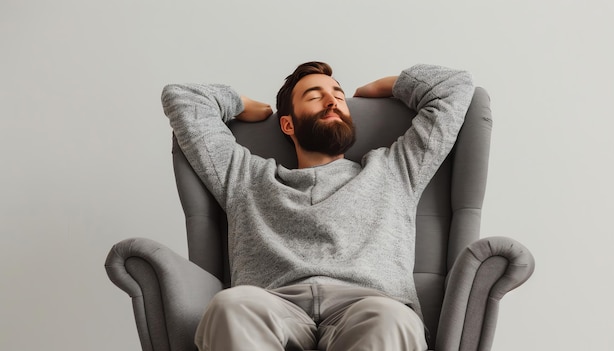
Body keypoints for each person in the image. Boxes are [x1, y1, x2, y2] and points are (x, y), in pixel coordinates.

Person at [161, 62, 474, 351]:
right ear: (287, 124)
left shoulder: (395, 169)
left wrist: (387, 86)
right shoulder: (245, 177)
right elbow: (184, 98)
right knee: (228, 307)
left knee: (393, 319)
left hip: (369, 304)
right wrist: (244, 104)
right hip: (273, 303)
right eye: (315, 95)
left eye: (338, 94)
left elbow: (454, 86)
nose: (332, 101)